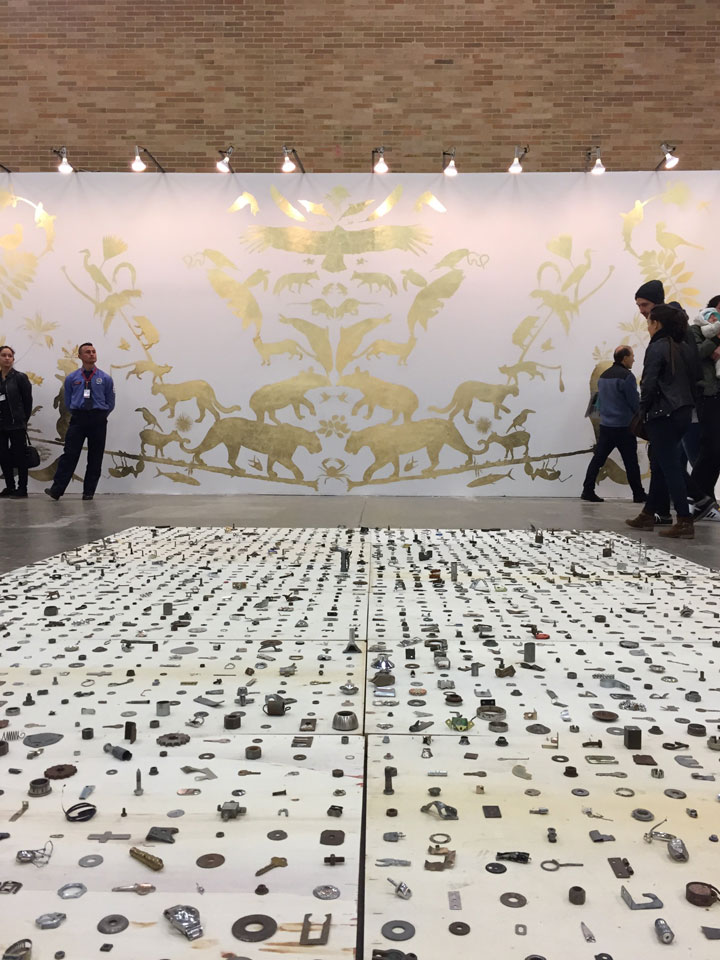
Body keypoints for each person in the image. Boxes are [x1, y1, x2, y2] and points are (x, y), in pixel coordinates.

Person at [626, 304, 700, 539]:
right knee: (661, 463)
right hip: (683, 411)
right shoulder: (684, 346)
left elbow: (648, 383)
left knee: (670, 467)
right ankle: (648, 513)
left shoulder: (657, 346)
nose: (647, 327)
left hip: (662, 413)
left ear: (656, 324)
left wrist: (642, 410)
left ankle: (685, 520)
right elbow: (696, 378)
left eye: (649, 322)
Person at [45, 342, 115, 501]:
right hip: (78, 419)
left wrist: (101, 415)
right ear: (80, 356)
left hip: (98, 419)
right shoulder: (72, 378)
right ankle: (57, 490)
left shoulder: (105, 378)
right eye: (88, 352)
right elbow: (68, 401)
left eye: (93, 351)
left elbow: (110, 401)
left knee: (95, 456)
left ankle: (89, 492)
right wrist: (77, 412)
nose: (92, 354)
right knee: (69, 454)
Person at [581, 345, 646, 503]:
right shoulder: (627, 377)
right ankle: (638, 494)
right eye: (632, 356)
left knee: (598, 459)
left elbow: (598, 402)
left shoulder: (604, 376)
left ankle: (587, 490)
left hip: (606, 427)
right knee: (631, 463)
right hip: (624, 427)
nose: (634, 359)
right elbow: (634, 403)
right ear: (625, 358)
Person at [686, 295, 720, 519]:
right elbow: (696, 354)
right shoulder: (695, 329)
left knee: (716, 450)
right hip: (707, 394)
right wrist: (716, 339)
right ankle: (695, 496)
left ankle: (705, 500)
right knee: (710, 446)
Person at [0, 345, 33, 499]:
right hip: (1, 425)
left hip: (16, 424)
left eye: (10, 356)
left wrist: (23, 420)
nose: (7, 358)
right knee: (3, 455)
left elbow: (27, 402)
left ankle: (22, 488)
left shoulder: (20, 377)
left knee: (20, 456)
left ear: (13, 359)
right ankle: (10, 486)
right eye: (3, 355)